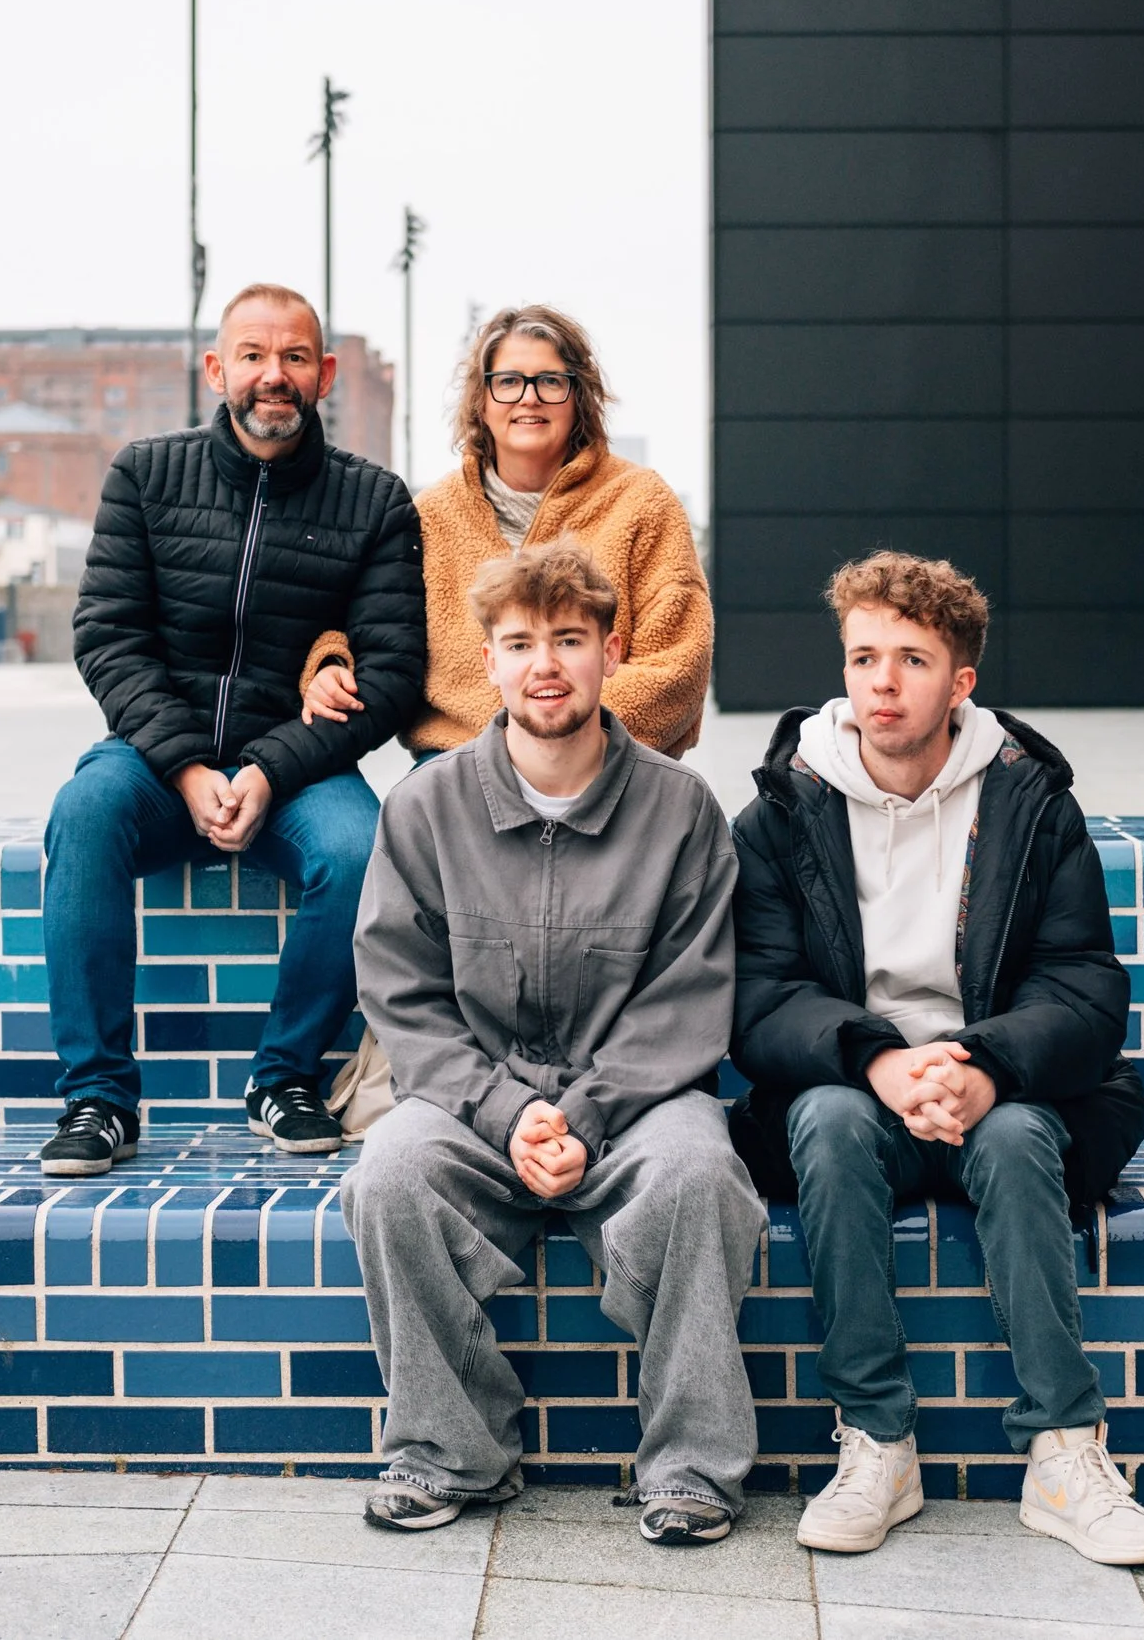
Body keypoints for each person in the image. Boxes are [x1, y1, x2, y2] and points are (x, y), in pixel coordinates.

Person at [725, 552, 1144, 1566]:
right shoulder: (781, 812)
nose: (882, 681)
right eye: (864, 656)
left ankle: (1064, 1449)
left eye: (911, 659)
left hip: (1001, 1087)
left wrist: (981, 1064)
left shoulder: (1031, 806)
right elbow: (759, 999)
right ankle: (877, 1440)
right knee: (825, 1123)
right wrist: (877, 1060)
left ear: (959, 682)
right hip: (856, 1089)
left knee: (1016, 1139)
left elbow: (1083, 989)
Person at [340, 541, 761, 1545]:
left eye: (568, 639)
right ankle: (451, 1449)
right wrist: (504, 1109)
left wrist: (580, 1113)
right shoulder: (426, 803)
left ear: (610, 650)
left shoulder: (678, 807)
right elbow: (399, 986)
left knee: (702, 1176)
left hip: (639, 1103)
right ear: (486, 660)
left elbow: (692, 993)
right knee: (388, 1173)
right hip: (474, 1100)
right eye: (521, 641)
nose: (545, 663)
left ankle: (691, 1465)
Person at [37, 283, 427, 1177]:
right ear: (217, 369)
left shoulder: (374, 502)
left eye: (294, 357)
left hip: (297, 771)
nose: (272, 376)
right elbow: (107, 638)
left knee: (364, 845)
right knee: (84, 814)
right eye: (252, 355)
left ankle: (282, 1075)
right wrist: (183, 769)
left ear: (323, 374)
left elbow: (393, 672)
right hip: (153, 759)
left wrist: (264, 769)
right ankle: (98, 1096)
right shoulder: (144, 473)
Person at [298, 304, 710, 758]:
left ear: (579, 398)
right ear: (482, 401)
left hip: (613, 759)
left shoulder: (642, 502)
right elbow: (365, 624)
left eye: (551, 381)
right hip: (459, 763)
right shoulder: (430, 515)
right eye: (509, 382)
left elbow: (679, 666)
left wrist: (551, 736)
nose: (528, 397)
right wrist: (332, 663)